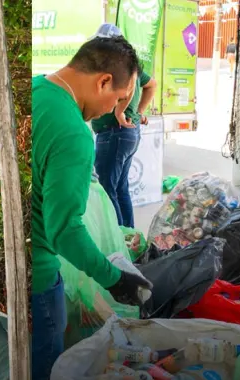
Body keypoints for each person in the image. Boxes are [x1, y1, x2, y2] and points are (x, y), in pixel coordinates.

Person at [31, 33, 153, 380]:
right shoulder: (74, 132)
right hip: (42, 274)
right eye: (118, 99)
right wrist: (114, 279)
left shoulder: (34, 89)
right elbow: (64, 230)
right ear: (103, 81)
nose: (115, 110)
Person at [91, 24, 157, 229]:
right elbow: (151, 84)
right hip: (126, 133)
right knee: (120, 188)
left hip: (115, 132)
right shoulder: (130, 62)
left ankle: (119, 239)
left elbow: (128, 85)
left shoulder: (116, 63)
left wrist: (120, 111)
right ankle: (129, 238)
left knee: (108, 189)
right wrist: (139, 111)